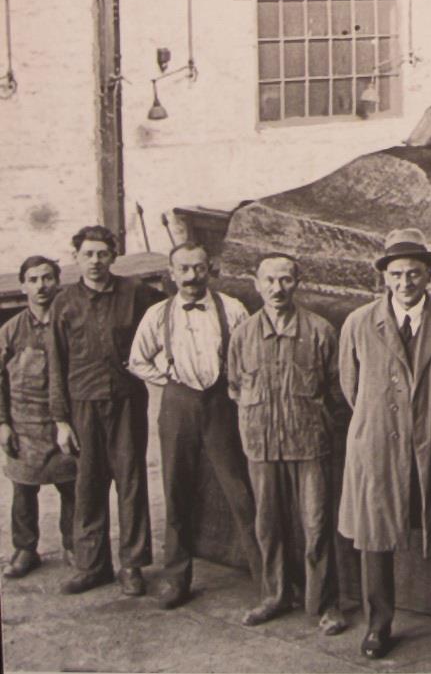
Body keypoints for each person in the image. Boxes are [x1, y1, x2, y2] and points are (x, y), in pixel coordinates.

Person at [339, 227, 431, 660]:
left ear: (429, 277)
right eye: (398, 274)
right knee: (375, 538)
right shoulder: (359, 323)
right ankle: (378, 626)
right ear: (385, 277)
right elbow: (351, 388)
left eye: (415, 274)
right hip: (378, 448)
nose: (406, 283)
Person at [128, 242, 261, 610]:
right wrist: (168, 377)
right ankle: (176, 578)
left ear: (210, 269)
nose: (191, 277)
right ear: (171, 273)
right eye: (183, 269)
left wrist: (235, 388)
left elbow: (251, 357)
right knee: (176, 489)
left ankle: (269, 579)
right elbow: (137, 360)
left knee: (241, 490)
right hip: (178, 405)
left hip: (222, 404)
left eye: (198, 268)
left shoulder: (232, 310)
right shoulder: (159, 314)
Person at [226, 253, 347, 636]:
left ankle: (324, 604)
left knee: (316, 526)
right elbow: (234, 387)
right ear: (256, 284)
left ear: (298, 282)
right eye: (269, 280)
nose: (277, 289)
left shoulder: (320, 331)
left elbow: (337, 393)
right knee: (268, 527)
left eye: (286, 280)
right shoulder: (243, 335)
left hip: (310, 445)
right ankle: (275, 596)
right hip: (261, 446)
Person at [48, 224, 162, 596]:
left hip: (127, 400)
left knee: (130, 482)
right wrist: (61, 420)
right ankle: (92, 566)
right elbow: (56, 363)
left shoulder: (136, 292)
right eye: (88, 254)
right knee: (88, 485)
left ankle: (132, 565)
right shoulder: (64, 302)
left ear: (113, 256)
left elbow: (167, 322)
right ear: (76, 257)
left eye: (102, 254)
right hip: (83, 403)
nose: (95, 261)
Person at [0, 256, 77, 579]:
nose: (41, 286)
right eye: (33, 279)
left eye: (47, 278)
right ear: (23, 286)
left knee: (72, 486)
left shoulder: (71, 323)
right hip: (23, 423)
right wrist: (2, 423)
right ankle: (25, 549)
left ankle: (75, 546)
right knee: (23, 490)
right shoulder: (10, 331)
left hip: (65, 422)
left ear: (57, 282)